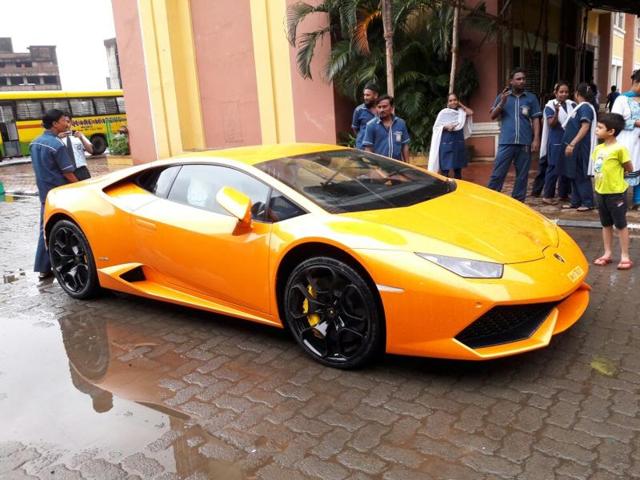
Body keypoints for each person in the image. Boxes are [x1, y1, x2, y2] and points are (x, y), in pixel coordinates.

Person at [30, 109, 78, 280]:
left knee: (45, 229)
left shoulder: (34, 143)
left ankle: (44, 268)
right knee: (70, 229)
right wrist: (80, 186)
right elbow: (68, 172)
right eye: (63, 120)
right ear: (55, 124)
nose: (66, 123)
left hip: (45, 193)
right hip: (61, 193)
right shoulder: (57, 145)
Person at [487, 67, 542, 202]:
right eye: (518, 79)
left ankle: (518, 201)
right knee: (498, 173)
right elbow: (493, 116)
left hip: (524, 142)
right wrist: (502, 103)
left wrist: (536, 139)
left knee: (522, 176)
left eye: (523, 79)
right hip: (506, 141)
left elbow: (535, 119)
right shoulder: (502, 97)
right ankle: (491, 199)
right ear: (511, 81)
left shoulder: (531, 98)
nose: (522, 81)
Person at [591, 113, 633, 270]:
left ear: (611, 131)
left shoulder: (620, 149)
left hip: (616, 193)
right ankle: (607, 253)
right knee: (606, 224)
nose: (597, 129)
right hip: (600, 192)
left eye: (600, 127)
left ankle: (625, 256)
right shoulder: (598, 149)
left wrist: (621, 179)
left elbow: (628, 167)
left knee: (620, 224)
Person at [532, 81, 575, 204]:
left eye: (566, 92)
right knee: (554, 168)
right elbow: (552, 123)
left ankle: (564, 194)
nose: (564, 94)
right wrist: (557, 112)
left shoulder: (571, 105)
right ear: (555, 93)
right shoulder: (550, 106)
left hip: (568, 140)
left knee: (566, 167)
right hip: (556, 141)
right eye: (561, 92)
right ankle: (548, 196)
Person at [560, 82, 597, 211]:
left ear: (577, 94)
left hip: (581, 147)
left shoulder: (585, 108)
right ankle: (576, 201)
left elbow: (585, 127)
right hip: (576, 147)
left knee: (581, 174)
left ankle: (587, 202)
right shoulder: (580, 107)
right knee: (574, 174)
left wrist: (572, 143)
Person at [611, 69, 640, 209]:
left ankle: (638, 200)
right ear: (637, 82)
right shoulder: (621, 99)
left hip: (638, 142)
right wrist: (634, 123)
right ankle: (619, 201)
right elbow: (614, 121)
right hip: (626, 141)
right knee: (623, 170)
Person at [427, 93, 473, 179]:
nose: (453, 102)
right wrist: (446, 126)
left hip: (458, 144)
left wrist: (460, 104)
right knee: (445, 171)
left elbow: (470, 112)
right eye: (450, 100)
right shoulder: (443, 113)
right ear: (447, 103)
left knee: (458, 172)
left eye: (455, 100)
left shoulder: (461, 113)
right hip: (446, 145)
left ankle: (459, 189)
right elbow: (436, 127)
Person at [363, 95, 410, 162]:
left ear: (392, 108)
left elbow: (405, 145)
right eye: (379, 107)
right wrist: (374, 168)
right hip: (379, 167)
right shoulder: (371, 125)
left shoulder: (401, 123)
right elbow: (368, 149)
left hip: (397, 166)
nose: (381, 110)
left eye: (384, 107)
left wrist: (407, 165)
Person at [58, 114, 93, 180]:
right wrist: (58, 138)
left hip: (82, 170)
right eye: (64, 122)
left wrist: (81, 139)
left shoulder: (78, 135)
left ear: (71, 122)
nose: (66, 124)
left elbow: (91, 151)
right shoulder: (56, 138)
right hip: (66, 173)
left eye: (68, 122)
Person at [351, 84, 379, 150]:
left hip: (378, 147)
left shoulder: (381, 110)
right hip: (362, 147)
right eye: (364, 95)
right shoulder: (359, 110)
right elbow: (355, 128)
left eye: (368, 95)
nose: (365, 97)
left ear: (375, 95)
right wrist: (362, 138)